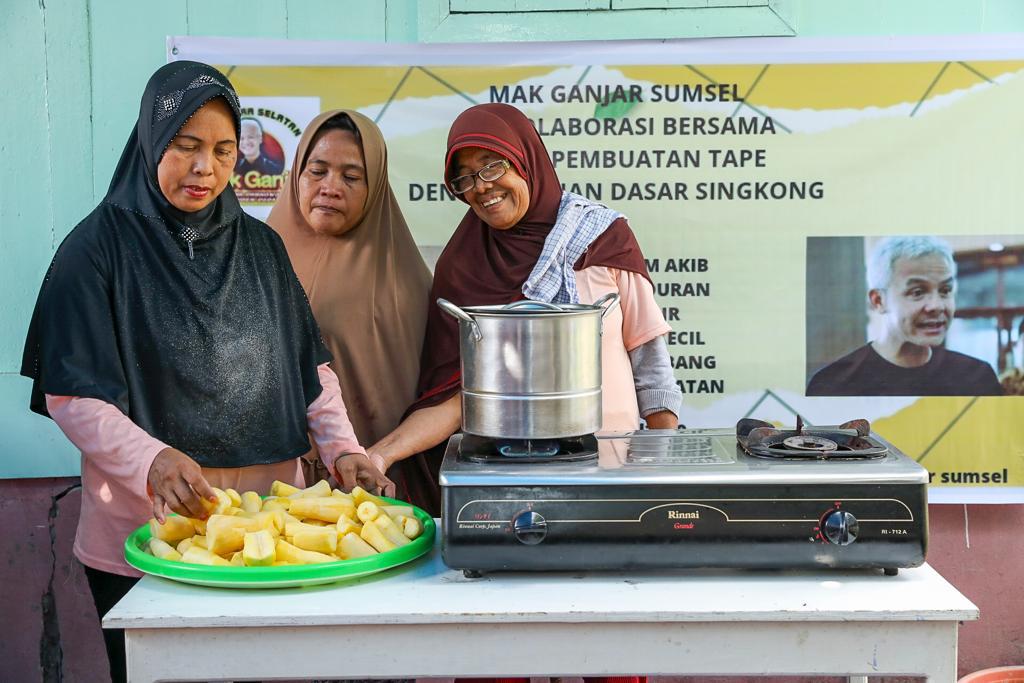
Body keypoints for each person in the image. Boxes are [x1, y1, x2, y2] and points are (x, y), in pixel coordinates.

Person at [20, 62, 392, 682]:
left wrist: (344, 449)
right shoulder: (95, 249)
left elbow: (310, 369)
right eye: (185, 147)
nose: (205, 169)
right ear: (151, 140)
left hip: (269, 530)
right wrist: (152, 460)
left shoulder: (261, 247)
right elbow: (72, 394)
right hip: (149, 533)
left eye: (223, 150)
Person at [367, 103, 683, 514]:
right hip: (509, 482)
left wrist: (664, 476)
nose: (481, 186)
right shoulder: (463, 267)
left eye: (492, 165)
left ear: (526, 159)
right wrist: (380, 455)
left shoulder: (602, 238)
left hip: (613, 473)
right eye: (464, 177)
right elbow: (457, 398)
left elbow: (652, 369)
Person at [267, 110, 432, 483]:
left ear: (374, 186)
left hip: (373, 484)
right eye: (317, 170)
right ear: (296, 174)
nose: (331, 186)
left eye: (352, 177)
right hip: (275, 485)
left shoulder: (404, 280)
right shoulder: (254, 259)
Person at [807, 235, 1003, 396]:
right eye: (917, 292)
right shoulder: (833, 386)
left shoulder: (977, 378)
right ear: (878, 301)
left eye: (945, 290)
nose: (936, 306)